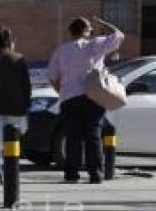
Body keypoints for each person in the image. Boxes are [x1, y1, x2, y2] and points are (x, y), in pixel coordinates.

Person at [47, 16, 124, 184]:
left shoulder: (61, 50)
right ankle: (95, 175)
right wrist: (105, 24)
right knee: (93, 136)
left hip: (70, 98)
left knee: (72, 137)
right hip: (93, 97)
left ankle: (71, 175)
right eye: (90, 30)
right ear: (86, 31)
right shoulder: (95, 44)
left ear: (71, 32)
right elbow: (119, 35)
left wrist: (61, 92)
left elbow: (52, 76)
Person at [0, 27, 32, 182]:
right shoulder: (18, 59)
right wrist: (26, 106)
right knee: (12, 142)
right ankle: (11, 171)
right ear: (11, 42)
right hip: (15, 108)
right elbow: (27, 86)